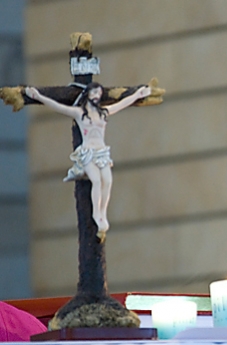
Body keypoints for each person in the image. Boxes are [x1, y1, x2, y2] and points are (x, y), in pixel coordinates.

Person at [25, 82, 151, 237]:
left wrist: (138, 94)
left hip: (101, 152)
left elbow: (121, 104)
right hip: (88, 153)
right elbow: (58, 106)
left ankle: (103, 212)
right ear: (88, 94)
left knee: (108, 180)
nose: (97, 96)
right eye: (94, 93)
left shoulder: (103, 112)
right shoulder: (79, 113)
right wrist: (38, 96)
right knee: (97, 181)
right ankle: (96, 214)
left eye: (99, 93)